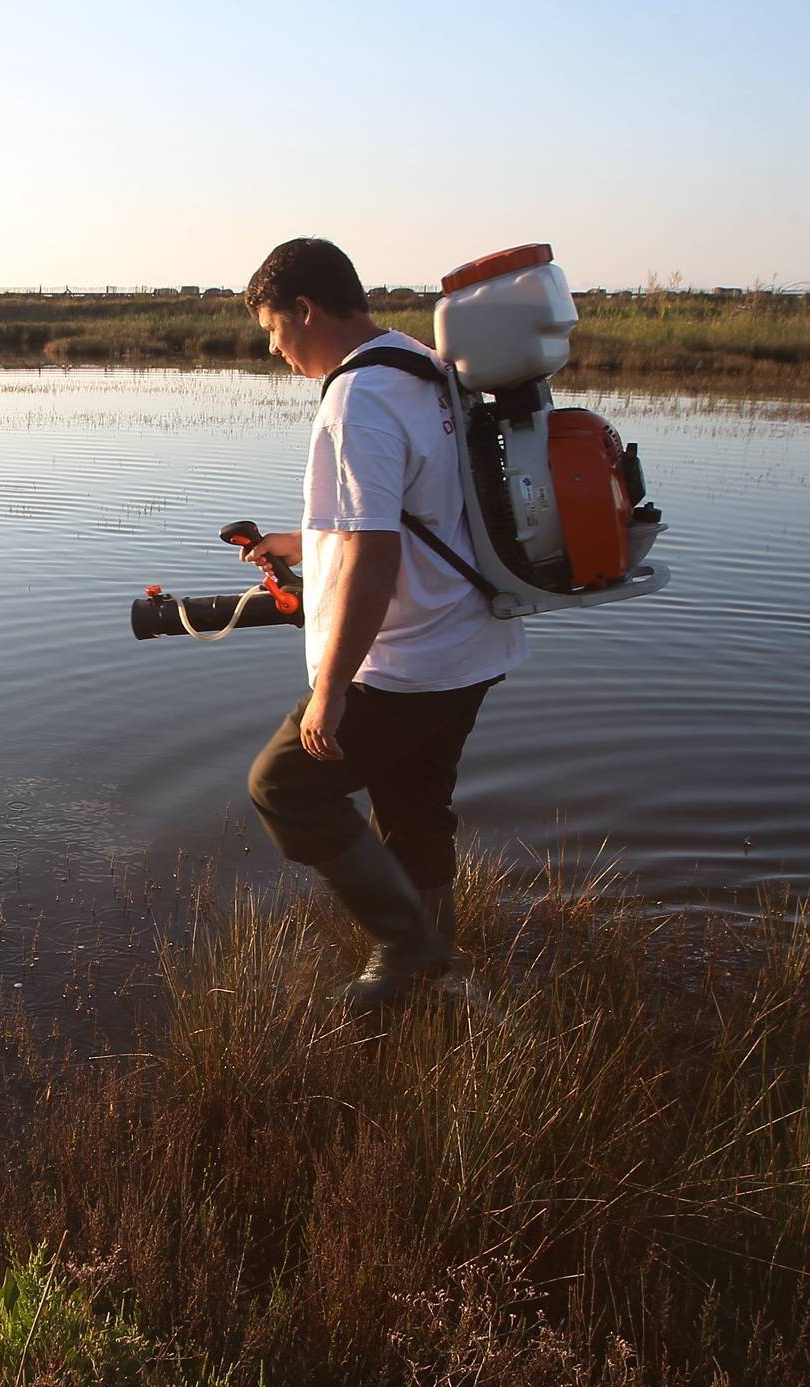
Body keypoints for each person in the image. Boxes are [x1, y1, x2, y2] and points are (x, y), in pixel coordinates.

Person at [238, 238, 528, 1013]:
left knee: (282, 787)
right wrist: (300, 543)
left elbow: (374, 555)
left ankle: (409, 943)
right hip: (469, 645)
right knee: (414, 810)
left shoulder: (356, 396)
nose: (273, 346)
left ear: (306, 308)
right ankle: (433, 976)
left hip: (406, 662)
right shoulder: (418, 363)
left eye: (273, 326)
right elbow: (419, 507)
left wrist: (331, 688)